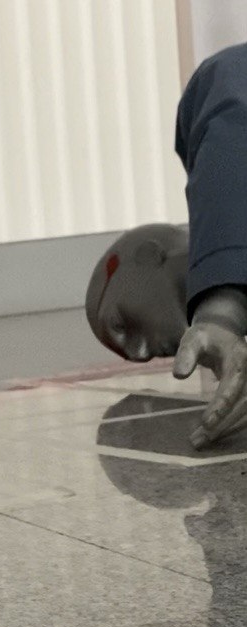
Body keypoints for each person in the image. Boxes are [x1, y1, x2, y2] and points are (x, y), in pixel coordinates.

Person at [86, 42, 247, 450]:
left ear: (148, 254)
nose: (143, 351)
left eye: (123, 325)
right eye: (134, 355)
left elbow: (236, 93)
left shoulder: (217, 84)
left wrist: (222, 308)